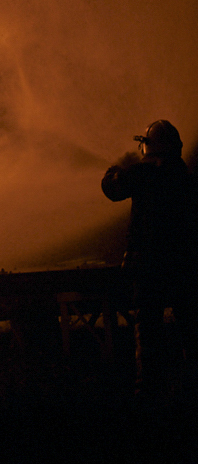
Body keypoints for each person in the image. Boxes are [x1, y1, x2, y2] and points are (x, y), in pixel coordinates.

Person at [101, 119, 198, 394]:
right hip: (184, 263)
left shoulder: (142, 173)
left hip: (148, 264)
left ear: (149, 146)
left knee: (147, 324)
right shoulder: (186, 178)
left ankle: (149, 386)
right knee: (190, 323)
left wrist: (116, 168)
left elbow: (112, 188)